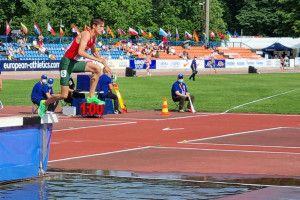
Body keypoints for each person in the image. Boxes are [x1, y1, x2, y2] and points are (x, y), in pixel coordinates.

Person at [38, 18, 111, 118]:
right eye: (101, 26)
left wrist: (105, 65)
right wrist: (98, 60)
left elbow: (95, 52)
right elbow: (81, 52)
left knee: (97, 69)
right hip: (66, 63)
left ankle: (91, 96)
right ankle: (44, 103)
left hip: (75, 63)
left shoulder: (93, 38)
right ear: (94, 26)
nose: (103, 29)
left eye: (103, 27)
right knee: (64, 95)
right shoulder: (86, 34)